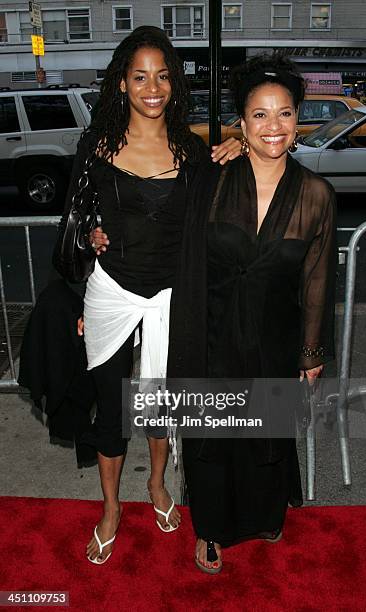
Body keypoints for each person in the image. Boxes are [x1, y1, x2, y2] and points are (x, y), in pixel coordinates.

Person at [53, 25, 240, 565]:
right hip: (110, 291)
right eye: (140, 76)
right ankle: (110, 508)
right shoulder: (98, 145)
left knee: (160, 409)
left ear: (174, 84)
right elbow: (77, 217)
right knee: (111, 413)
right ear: (122, 84)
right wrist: (90, 238)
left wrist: (242, 142)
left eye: (162, 76)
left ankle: (157, 484)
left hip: (169, 298)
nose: (152, 87)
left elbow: (239, 181)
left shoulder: (192, 149)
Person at [165, 53, 337, 573]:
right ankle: (211, 530)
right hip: (211, 331)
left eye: (284, 113)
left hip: (274, 335)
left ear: (298, 119)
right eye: (259, 115)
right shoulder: (210, 180)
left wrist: (310, 351)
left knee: (265, 433)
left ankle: (264, 514)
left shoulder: (316, 194)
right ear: (240, 122)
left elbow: (317, 278)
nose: (273, 126)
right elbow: (169, 235)